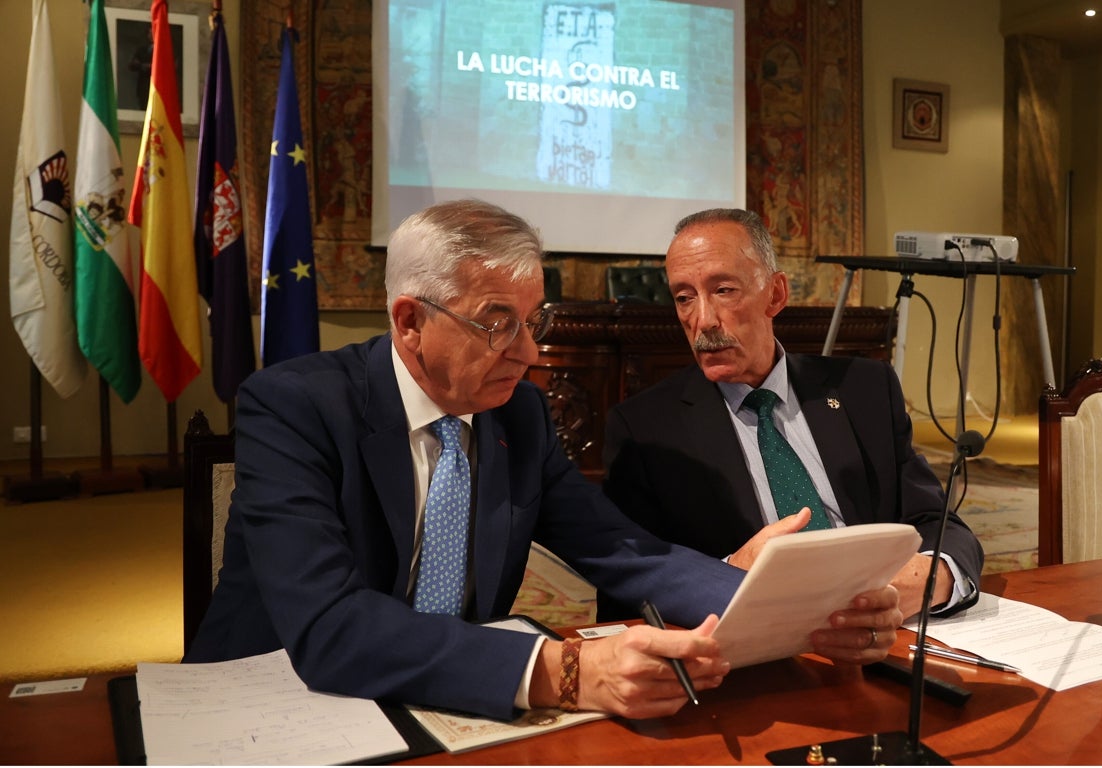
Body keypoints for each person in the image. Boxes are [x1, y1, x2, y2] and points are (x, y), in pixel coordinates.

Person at [185, 199, 905, 722]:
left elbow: (625, 551)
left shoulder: (517, 415)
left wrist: (798, 610)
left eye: (534, 322)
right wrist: (565, 670)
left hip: (456, 702)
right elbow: (329, 626)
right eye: (499, 323)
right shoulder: (292, 407)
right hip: (280, 703)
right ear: (410, 322)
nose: (530, 354)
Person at [602, 208, 984, 622]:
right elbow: (627, 594)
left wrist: (928, 581)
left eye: (724, 290)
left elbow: (937, 524)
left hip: (884, 630)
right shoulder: (645, 430)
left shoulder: (865, 390)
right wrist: (730, 572)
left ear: (776, 295)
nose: (703, 320)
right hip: (753, 647)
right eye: (684, 298)